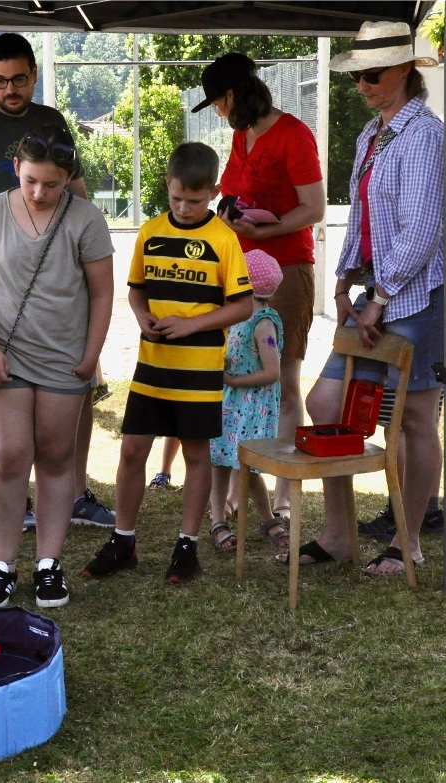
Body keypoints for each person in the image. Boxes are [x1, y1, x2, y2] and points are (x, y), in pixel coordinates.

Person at [290, 21, 446, 575]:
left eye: (371, 75)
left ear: (405, 72)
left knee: (416, 419)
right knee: (324, 404)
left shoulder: (426, 135)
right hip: (381, 291)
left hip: (424, 294)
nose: (362, 85)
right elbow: (362, 219)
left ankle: (407, 542)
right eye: (356, 76)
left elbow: (423, 229)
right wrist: (344, 282)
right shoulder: (374, 135)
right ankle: (340, 536)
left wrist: (381, 296)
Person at [0, 31, 113, 529]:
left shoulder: (52, 121)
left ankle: (73, 491)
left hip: (60, 284)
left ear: (33, 76)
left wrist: (87, 239)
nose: (9, 89)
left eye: (18, 79)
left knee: (76, 397)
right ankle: (16, 520)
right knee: (11, 436)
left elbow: (76, 190)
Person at [0, 125, 114, 608]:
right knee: (9, 456)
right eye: (29, 181)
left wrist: (91, 356)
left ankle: (49, 564)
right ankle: (2, 565)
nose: (39, 192)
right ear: (16, 170)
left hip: (66, 360)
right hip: (5, 354)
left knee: (56, 457)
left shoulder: (86, 218)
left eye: (52, 183)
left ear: (68, 177)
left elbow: (103, 292)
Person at [82, 142, 251, 584]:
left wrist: (192, 326)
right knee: (133, 448)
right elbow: (136, 289)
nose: (185, 207)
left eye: (195, 201)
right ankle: (124, 539)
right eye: (177, 198)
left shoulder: (224, 240)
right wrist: (142, 316)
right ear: (167, 186)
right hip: (152, 367)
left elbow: (243, 306)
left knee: (196, 454)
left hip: (199, 371)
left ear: (213, 192)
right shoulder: (151, 231)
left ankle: (187, 546)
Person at [193, 52, 326, 521]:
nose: (217, 111)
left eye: (217, 101)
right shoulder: (241, 136)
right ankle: (244, 483)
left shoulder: (293, 134)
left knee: (285, 383)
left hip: (286, 271)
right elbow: (234, 191)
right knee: (244, 380)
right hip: (243, 270)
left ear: (233, 95)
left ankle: (287, 493)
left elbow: (314, 208)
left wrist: (266, 231)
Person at [208, 249, 287, 552]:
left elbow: (272, 371)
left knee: (247, 467)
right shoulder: (237, 314)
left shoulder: (262, 324)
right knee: (219, 461)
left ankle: (266, 517)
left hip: (251, 406)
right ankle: (218, 519)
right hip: (230, 402)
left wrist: (233, 381)